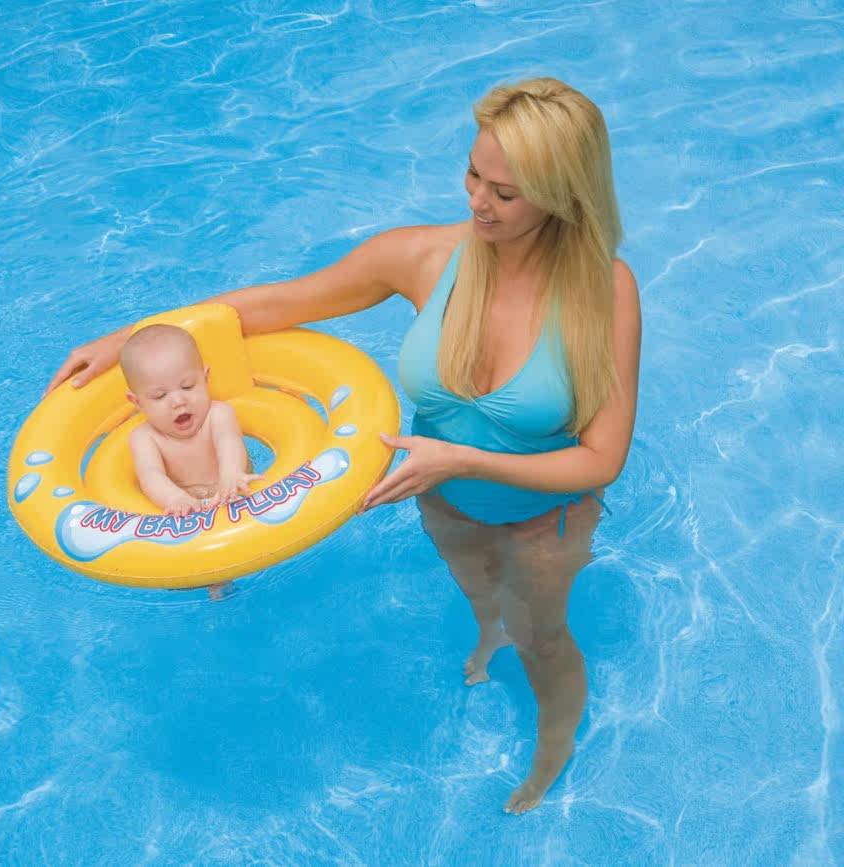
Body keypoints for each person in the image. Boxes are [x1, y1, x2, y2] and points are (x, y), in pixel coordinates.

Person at [46, 77, 641, 814]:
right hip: (439, 493)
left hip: (543, 514)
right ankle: (489, 635)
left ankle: (553, 749)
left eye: (505, 193)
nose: (477, 202)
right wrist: (127, 340)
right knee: (483, 593)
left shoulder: (604, 290)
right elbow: (276, 303)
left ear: (560, 194)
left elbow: (602, 457)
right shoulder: (425, 258)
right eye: (472, 174)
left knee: (541, 636)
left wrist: (461, 460)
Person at [120, 323, 262, 516]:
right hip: (188, 502)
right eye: (160, 396)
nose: (178, 401)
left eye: (187, 387)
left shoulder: (218, 415)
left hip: (234, 490)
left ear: (205, 378)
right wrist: (175, 498)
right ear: (137, 402)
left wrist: (231, 474)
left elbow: (228, 442)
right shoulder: (144, 437)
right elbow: (150, 475)